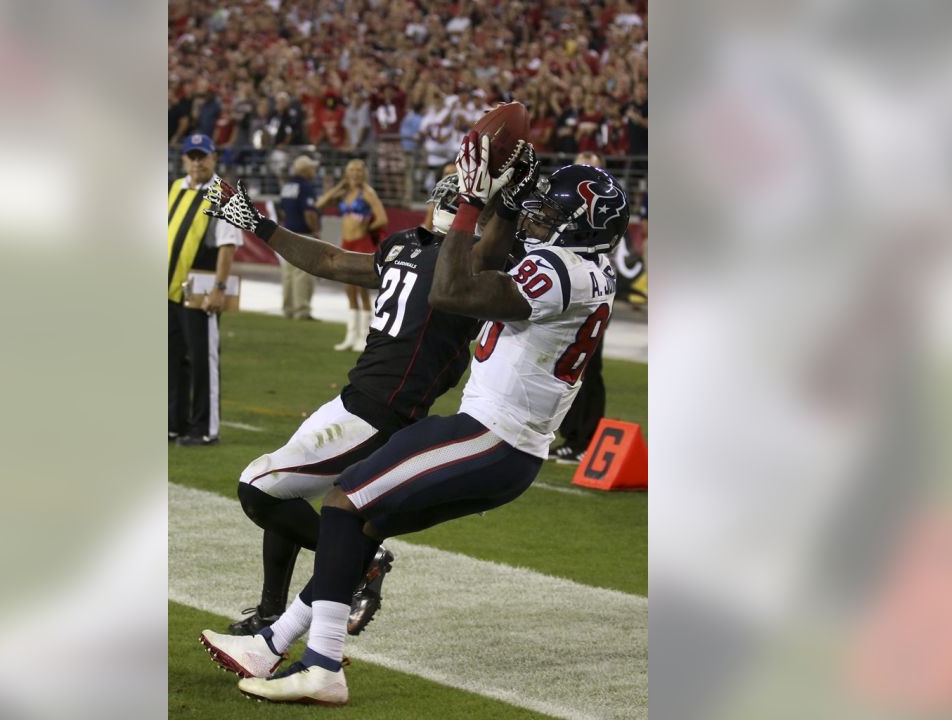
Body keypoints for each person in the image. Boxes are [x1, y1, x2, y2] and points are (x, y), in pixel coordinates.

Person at [201, 135, 627, 707]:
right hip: (500, 440)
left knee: (343, 502)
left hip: (490, 435)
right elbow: (358, 262)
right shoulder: (579, 269)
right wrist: (503, 203)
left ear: (582, 227)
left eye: (551, 213)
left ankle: (322, 666)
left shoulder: (560, 270)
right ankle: (272, 641)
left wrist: (480, 201)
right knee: (359, 526)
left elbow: (452, 291)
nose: (539, 217)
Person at [196, 160, 530, 643]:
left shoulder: (476, 264)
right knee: (283, 490)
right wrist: (261, 224)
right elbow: (330, 261)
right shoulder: (405, 244)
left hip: (382, 413)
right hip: (355, 399)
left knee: (257, 487)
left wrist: (508, 199)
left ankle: (363, 561)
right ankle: (272, 611)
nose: (447, 206)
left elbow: (492, 251)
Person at [168, 133, 244, 447]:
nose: (197, 162)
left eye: (203, 156)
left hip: (201, 289)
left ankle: (204, 428)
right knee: (171, 359)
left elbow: (229, 246)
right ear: (184, 158)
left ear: (214, 158)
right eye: (192, 156)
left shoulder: (225, 194)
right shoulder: (175, 187)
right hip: (169, 289)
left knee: (202, 359)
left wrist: (220, 288)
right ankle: (174, 422)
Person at [550, 151, 612, 462]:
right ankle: (572, 434)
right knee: (567, 366)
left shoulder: (605, 212)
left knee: (586, 368)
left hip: (588, 283)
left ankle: (584, 438)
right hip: (577, 281)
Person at [315, 160, 387, 352]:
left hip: (361, 244)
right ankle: (350, 335)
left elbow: (382, 218)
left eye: (358, 170)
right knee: (349, 290)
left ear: (364, 173)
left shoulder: (368, 193)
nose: (355, 174)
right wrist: (340, 185)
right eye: (351, 170)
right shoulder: (344, 193)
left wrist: (366, 228)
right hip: (346, 245)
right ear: (346, 173)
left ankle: (364, 336)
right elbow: (320, 203)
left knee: (362, 290)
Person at [277, 156, 320, 321]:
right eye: (312, 168)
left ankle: (288, 308)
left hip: (287, 233)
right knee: (303, 273)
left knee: (288, 273)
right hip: (303, 235)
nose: (314, 172)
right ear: (305, 170)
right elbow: (309, 213)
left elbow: (281, 210)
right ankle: (301, 310)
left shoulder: (287, 186)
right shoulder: (305, 187)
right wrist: (315, 230)